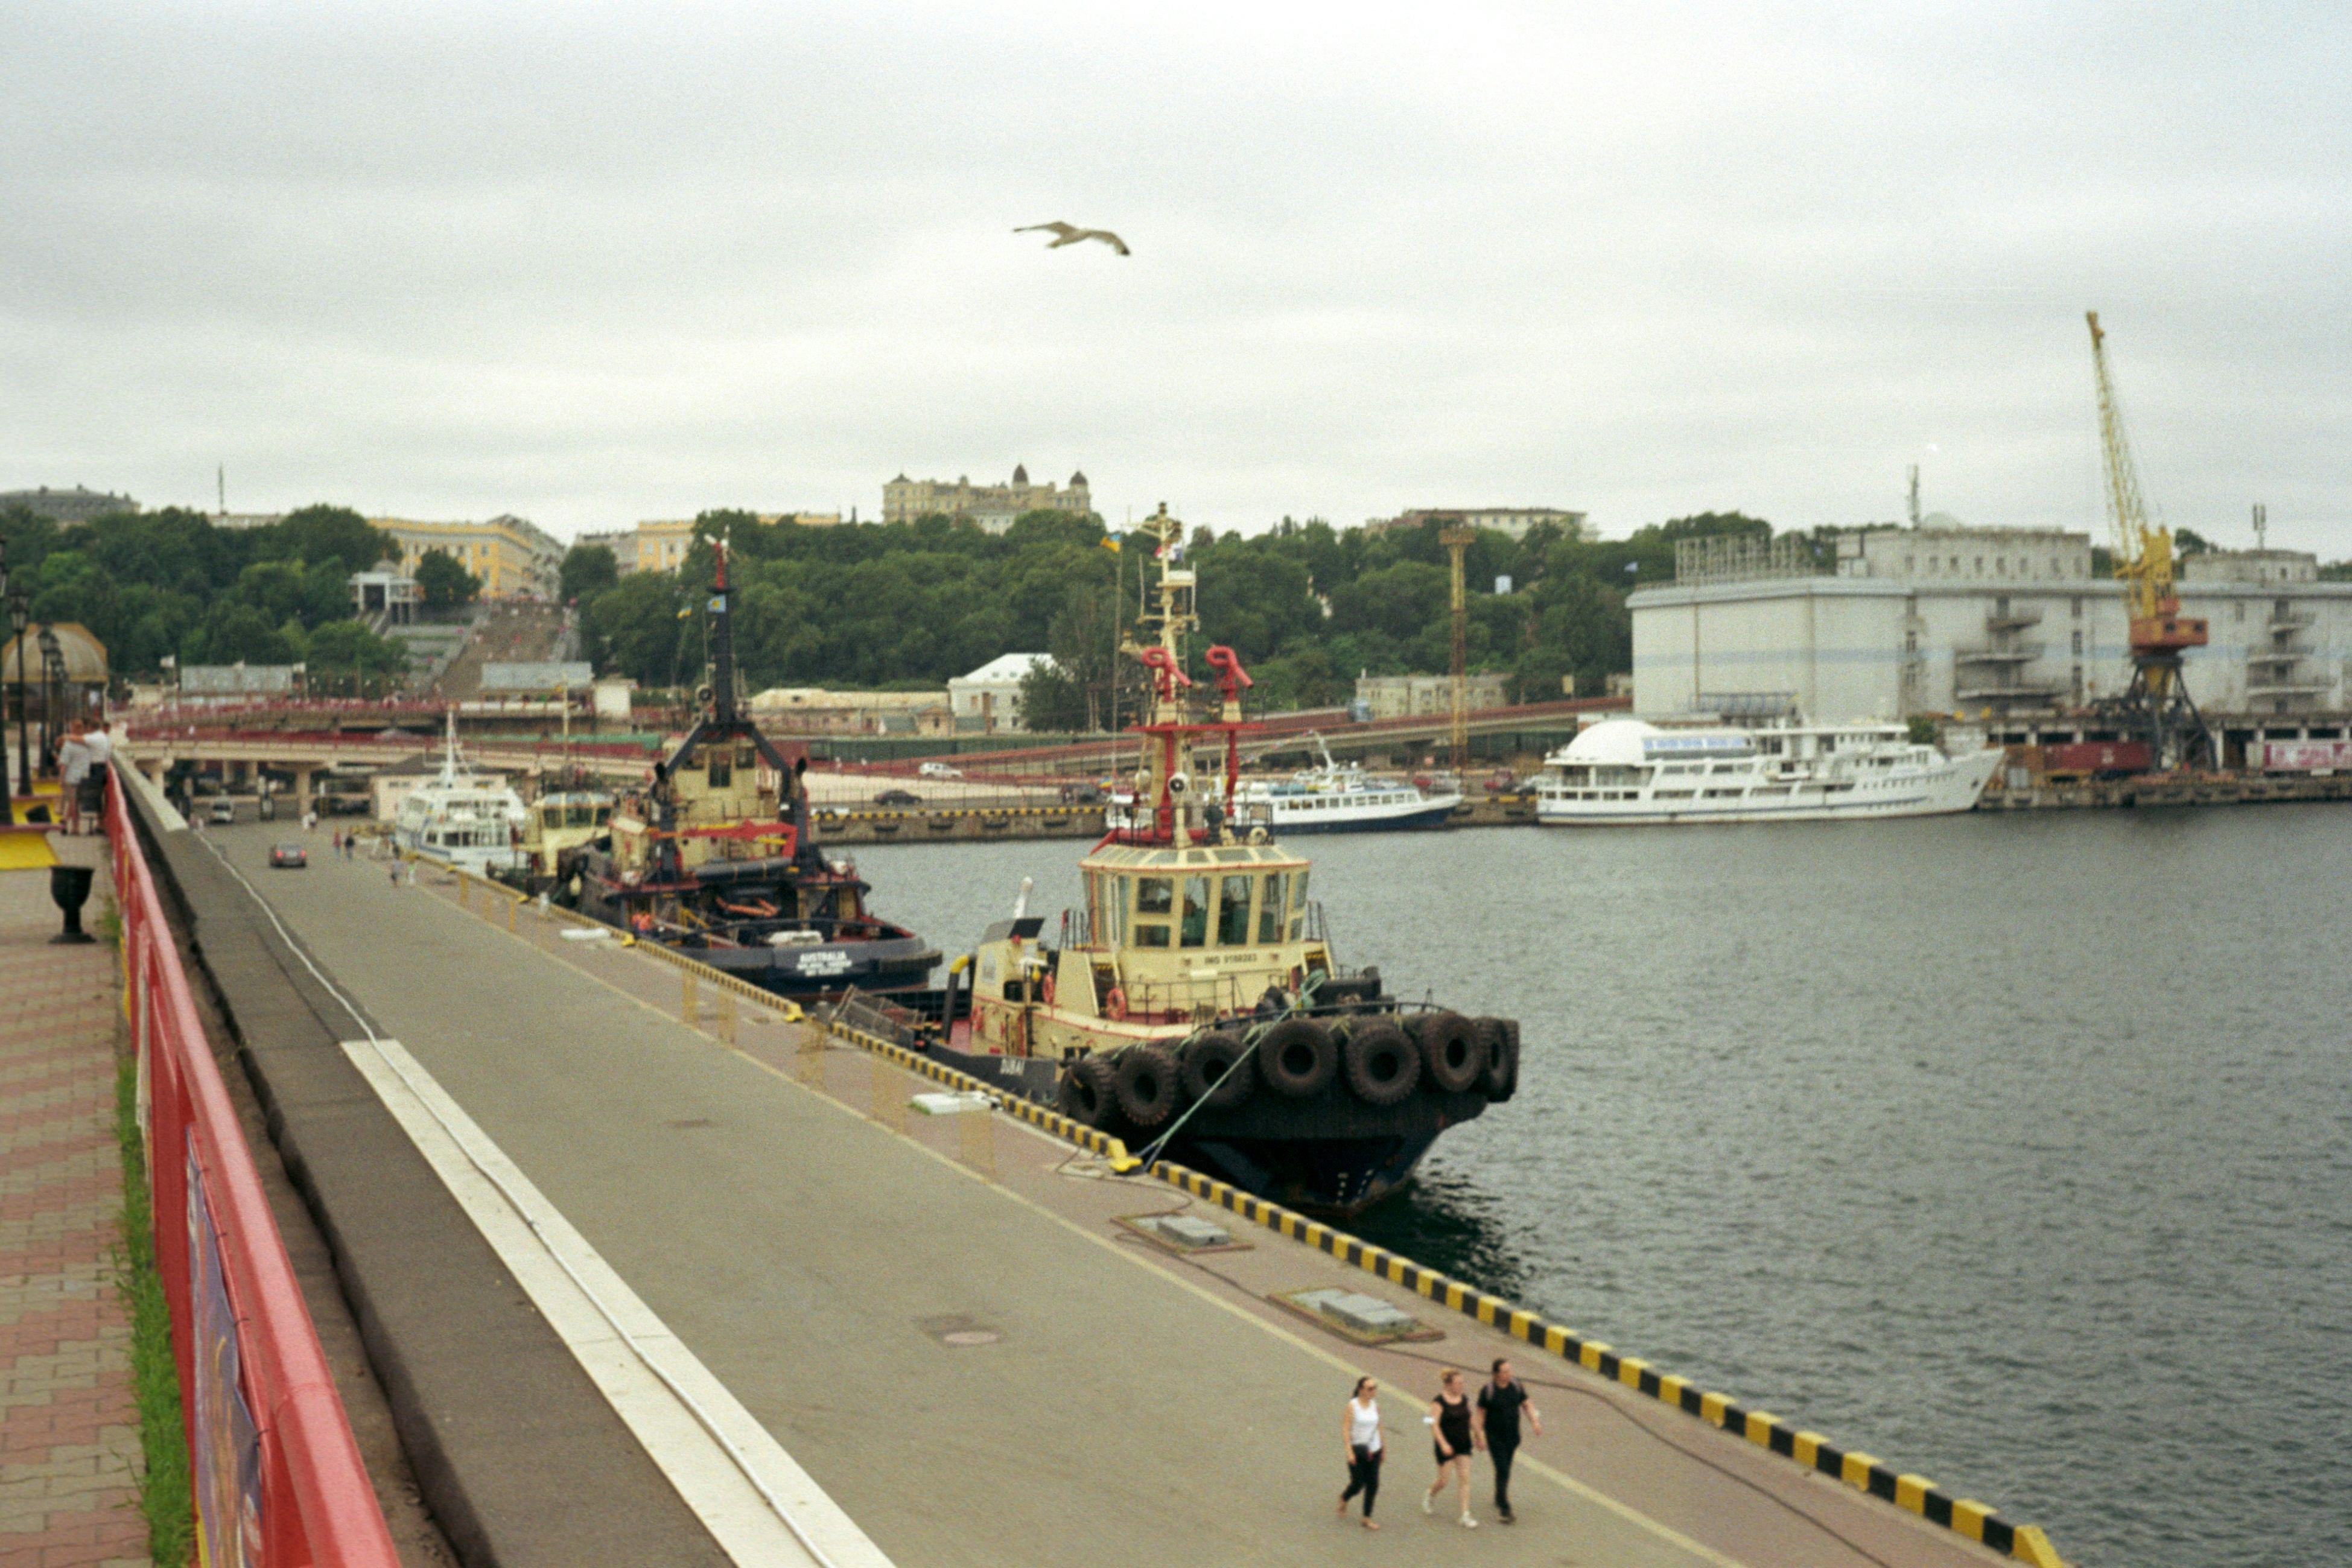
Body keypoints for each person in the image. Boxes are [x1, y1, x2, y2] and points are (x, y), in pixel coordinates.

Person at [1475, 1357, 1542, 1525]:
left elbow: (1526, 1404)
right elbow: (1480, 1415)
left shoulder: (1516, 1386)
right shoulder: (1488, 1391)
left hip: (1512, 1437)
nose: (1508, 1374)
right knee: (1503, 1468)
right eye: (1504, 1372)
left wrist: (1534, 1421)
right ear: (1496, 1374)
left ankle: (1499, 1496)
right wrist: (1479, 1436)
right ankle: (1505, 1509)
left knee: (1505, 1469)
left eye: (1509, 1371)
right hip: (1494, 1437)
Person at [1422, 1368, 1478, 1527]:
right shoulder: (1438, 1402)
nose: (1461, 1385)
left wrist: (1479, 1436)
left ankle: (1465, 1515)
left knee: (1465, 1479)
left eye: (1462, 1382)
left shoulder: (1464, 1399)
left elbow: (1471, 1419)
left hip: (1463, 1444)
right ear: (1448, 1385)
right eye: (1458, 1383)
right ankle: (1431, 1494)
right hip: (1446, 1445)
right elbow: (1434, 1425)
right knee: (1444, 1480)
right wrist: (1443, 1444)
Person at [1337, 1376, 1384, 1529]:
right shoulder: (1353, 1406)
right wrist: (1349, 1452)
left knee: (1373, 1484)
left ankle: (1367, 1517)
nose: (1373, 1391)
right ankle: (1344, 1497)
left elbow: (1378, 1427)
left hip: (1374, 1449)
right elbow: (1345, 1428)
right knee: (1358, 1483)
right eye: (1370, 1388)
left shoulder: (1375, 1405)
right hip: (1358, 1449)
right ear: (1361, 1390)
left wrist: (1383, 1448)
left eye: (1375, 1387)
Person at [57, 722, 93, 836]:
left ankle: (75, 826)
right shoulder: (87, 744)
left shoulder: (68, 746)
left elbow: (64, 765)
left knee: (73, 803)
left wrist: (61, 779)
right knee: (76, 802)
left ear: (72, 730)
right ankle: (68, 823)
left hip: (71, 778)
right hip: (84, 776)